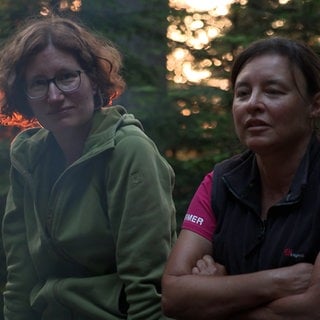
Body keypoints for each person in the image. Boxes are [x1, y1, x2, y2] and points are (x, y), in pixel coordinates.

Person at [0, 15, 176, 320]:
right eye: (39, 83)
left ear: (93, 79)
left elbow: (148, 285)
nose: (55, 96)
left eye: (67, 76)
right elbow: (20, 278)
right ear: (24, 95)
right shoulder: (28, 158)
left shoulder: (128, 151)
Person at [162, 37, 320, 319]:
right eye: (242, 93)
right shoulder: (219, 183)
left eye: (273, 91)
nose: (253, 104)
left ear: (315, 105)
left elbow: (310, 310)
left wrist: (217, 296)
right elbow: (174, 294)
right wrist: (280, 281)